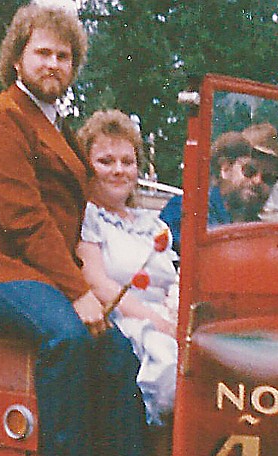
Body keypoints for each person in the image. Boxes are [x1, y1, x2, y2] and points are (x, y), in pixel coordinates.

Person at [0, 4, 168, 456]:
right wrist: (78, 291)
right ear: (18, 58)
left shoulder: (52, 124)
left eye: (64, 56)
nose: (54, 63)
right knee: (68, 337)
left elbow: (77, 212)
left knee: (118, 352)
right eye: (43, 52)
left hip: (39, 272)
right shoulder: (3, 120)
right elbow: (25, 222)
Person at [75, 110, 179, 427]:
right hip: (126, 324)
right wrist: (161, 324)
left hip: (167, 320)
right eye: (106, 161)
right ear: (87, 167)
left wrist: (178, 312)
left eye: (127, 161)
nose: (119, 171)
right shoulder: (86, 217)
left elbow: (173, 279)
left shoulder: (153, 224)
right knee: (170, 366)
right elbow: (98, 283)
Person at [159, 122, 278, 251]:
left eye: (269, 178)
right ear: (225, 168)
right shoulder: (187, 209)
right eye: (249, 170)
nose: (258, 181)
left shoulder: (260, 233)